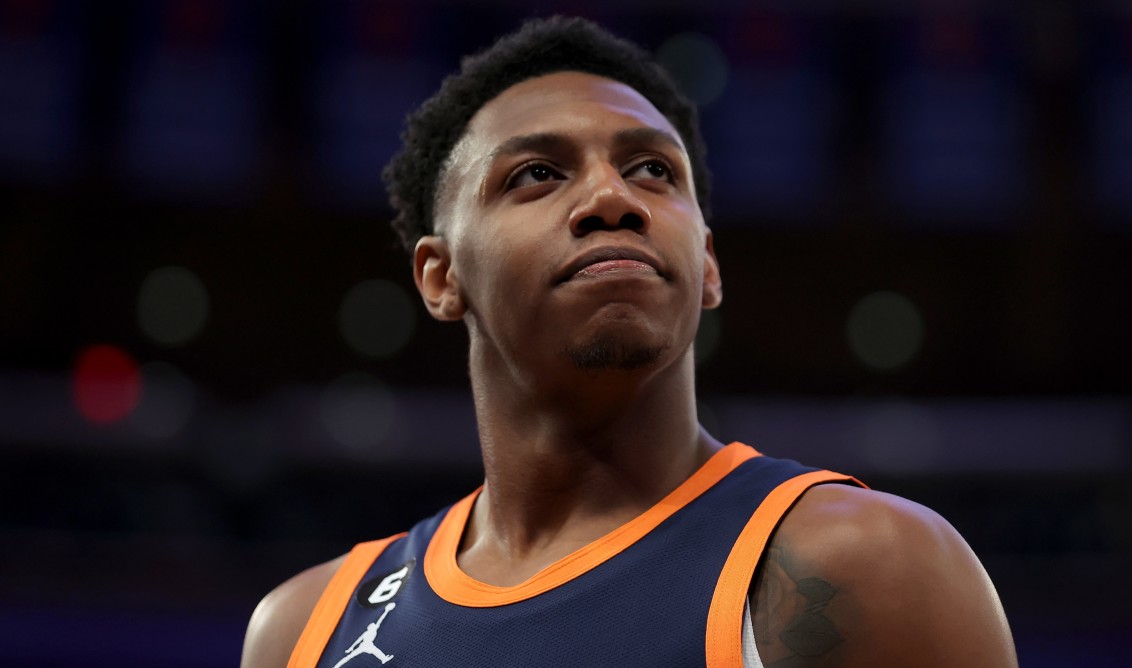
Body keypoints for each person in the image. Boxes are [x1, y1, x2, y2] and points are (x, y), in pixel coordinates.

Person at [242, 16, 1017, 668]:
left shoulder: (869, 564)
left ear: (707, 264)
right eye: (537, 173)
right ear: (441, 277)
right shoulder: (304, 630)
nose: (613, 198)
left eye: (652, 170)